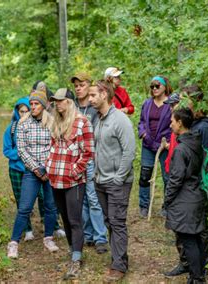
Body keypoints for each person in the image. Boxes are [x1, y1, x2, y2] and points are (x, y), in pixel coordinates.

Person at [88, 80, 136, 281]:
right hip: (100, 180)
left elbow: (129, 151)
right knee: (109, 220)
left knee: (117, 222)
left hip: (117, 181)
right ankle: (118, 257)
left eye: (93, 95)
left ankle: (119, 265)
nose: (89, 99)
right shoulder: (97, 119)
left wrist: (118, 178)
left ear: (104, 95)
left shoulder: (120, 119)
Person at [165, 86, 208, 277]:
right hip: (195, 195)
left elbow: (176, 179)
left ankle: (196, 277)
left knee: (190, 241)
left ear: (179, 123)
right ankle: (198, 274)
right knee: (194, 240)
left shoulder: (182, 148)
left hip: (186, 199)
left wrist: (167, 200)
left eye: (172, 121)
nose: (170, 125)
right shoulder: (194, 141)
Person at [46, 88, 94, 279]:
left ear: (69, 102)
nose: (57, 104)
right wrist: (49, 166)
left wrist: (74, 171)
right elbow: (52, 146)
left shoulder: (82, 122)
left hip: (73, 180)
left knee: (75, 219)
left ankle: (76, 258)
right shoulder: (55, 122)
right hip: (55, 178)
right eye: (55, 101)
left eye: (60, 100)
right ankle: (72, 249)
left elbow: (89, 152)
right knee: (64, 218)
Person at [7, 89, 59, 259]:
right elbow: (22, 150)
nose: (33, 107)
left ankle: (49, 237)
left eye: (36, 104)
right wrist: (36, 168)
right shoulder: (23, 123)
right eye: (32, 104)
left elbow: (56, 146)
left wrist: (47, 168)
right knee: (25, 208)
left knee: (51, 207)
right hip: (32, 172)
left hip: (50, 171)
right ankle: (13, 243)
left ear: (44, 106)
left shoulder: (52, 122)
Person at [71, 72, 108, 254]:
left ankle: (101, 237)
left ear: (89, 86)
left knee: (93, 198)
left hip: (92, 159)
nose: (78, 88)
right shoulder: (72, 107)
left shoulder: (95, 108)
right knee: (81, 199)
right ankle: (88, 234)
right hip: (75, 160)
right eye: (76, 85)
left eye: (82, 84)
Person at [3, 97, 46, 241]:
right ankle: (27, 229)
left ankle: (50, 224)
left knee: (43, 196)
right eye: (21, 111)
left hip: (34, 169)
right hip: (16, 169)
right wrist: (22, 152)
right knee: (21, 200)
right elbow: (7, 150)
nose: (24, 114)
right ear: (17, 112)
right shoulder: (12, 128)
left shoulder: (38, 126)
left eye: (27, 111)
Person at [137, 75, 173, 218]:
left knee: (167, 177)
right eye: (152, 86)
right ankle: (143, 206)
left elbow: (175, 124)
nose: (155, 89)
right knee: (145, 175)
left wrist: (168, 143)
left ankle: (167, 206)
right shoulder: (147, 103)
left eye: (157, 86)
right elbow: (141, 122)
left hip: (165, 145)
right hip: (148, 144)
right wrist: (143, 134)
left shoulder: (171, 104)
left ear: (165, 87)